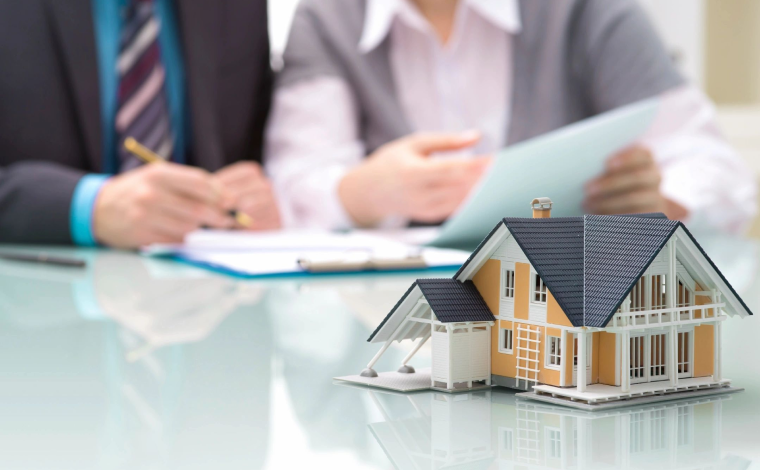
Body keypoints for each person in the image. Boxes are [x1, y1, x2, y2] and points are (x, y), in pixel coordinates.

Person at [266, 0, 757, 233]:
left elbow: (712, 165)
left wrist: (665, 203)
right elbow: (290, 187)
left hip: (577, 318)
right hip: (386, 321)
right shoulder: (323, 21)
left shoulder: (590, 10)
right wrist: (359, 194)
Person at [0, 0, 281, 248]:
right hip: (42, 288)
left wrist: (257, 197)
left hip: (200, 287)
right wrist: (91, 206)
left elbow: (259, 150)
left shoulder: (243, 7)